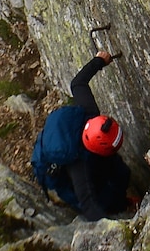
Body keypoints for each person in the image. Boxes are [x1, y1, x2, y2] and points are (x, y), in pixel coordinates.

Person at [29, 51, 132, 222]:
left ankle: (123, 201)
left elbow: (78, 83)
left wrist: (99, 60)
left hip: (88, 153)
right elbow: (88, 205)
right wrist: (114, 229)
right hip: (65, 177)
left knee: (123, 172)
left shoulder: (90, 112)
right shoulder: (78, 167)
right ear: (99, 149)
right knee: (105, 200)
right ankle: (120, 207)